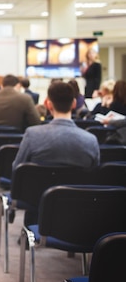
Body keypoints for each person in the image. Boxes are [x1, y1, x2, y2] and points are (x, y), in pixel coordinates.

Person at [12, 81, 100, 226]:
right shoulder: (90, 140)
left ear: (48, 104)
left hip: (36, 204)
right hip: (77, 206)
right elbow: (94, 175)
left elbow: (17, 169)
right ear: (73, 104)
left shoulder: (33, 135)